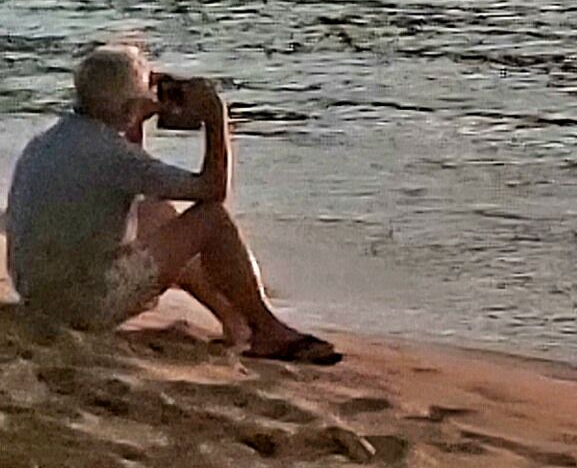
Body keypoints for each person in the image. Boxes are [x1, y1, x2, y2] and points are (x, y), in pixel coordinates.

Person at [4, 41, 339, 362]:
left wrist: (134, 117)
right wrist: (216, 120)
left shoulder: (49, 141)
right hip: (83, 305)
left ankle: (234, 320)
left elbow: (126, 184)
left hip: (39, 294)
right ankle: (266, 328)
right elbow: (212, 190)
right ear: (129, 107)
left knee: (157, 213)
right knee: (210, 219)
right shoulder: (112, 155)